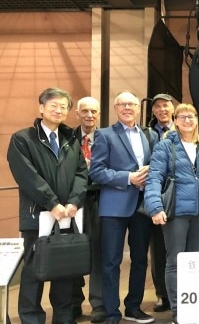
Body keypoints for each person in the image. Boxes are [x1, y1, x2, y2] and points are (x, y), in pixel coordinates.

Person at [7, 87, 88, 324]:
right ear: (41, 108)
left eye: (63, 106)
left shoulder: (71, 139)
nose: (58, 109)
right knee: (34, 270)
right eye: (53, 105)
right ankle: (32, 318)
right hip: (38, 216)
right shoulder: (23, 139)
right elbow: (27, 176)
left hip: (67, 216)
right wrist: (52, 203)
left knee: (64, 269)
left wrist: (74, 201)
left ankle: (63, 317)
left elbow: (82, 173)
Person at [89, 91, 157, 324]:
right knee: (111, 262)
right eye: (123, 104)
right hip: (114, 207)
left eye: (132, 104)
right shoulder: (105, 134)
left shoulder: (148, 135)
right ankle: (111, 313)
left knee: (140, 260)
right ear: (116, 108)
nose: (128, 107)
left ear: (139, 108)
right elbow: (96, 171)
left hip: (142, 207)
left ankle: (134, 307)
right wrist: (129, 178)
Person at [144, 103, 199, 324]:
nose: (187, 120)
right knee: (175, 262)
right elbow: (154, 177)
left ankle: (193, 307)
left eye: (191, 116)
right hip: (175, 213)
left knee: (193, 262)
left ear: (197, 120)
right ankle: (179, 312)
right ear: (175, 120)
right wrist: (155, 207)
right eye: (182, 117)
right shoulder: (166, 146)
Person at [71, 96, 106, 323]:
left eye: (94, 111)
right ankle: (73, 302)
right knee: (71, 251)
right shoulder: (67, 138)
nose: (89, 115)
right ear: (77, 113)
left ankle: (99, 304)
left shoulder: (106, 138)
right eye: (85, 111)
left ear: (99, 114)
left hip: (99, 199)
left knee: (98, 253)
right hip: (72, 202)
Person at [147, 93, 176, 313]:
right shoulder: (147, 133)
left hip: (179, 197)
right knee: (158, 249)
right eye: (157, 107)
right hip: (157, 196)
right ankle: (162, 294)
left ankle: (181, 293)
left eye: (165, 105)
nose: (161, 110)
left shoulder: (186, 128)